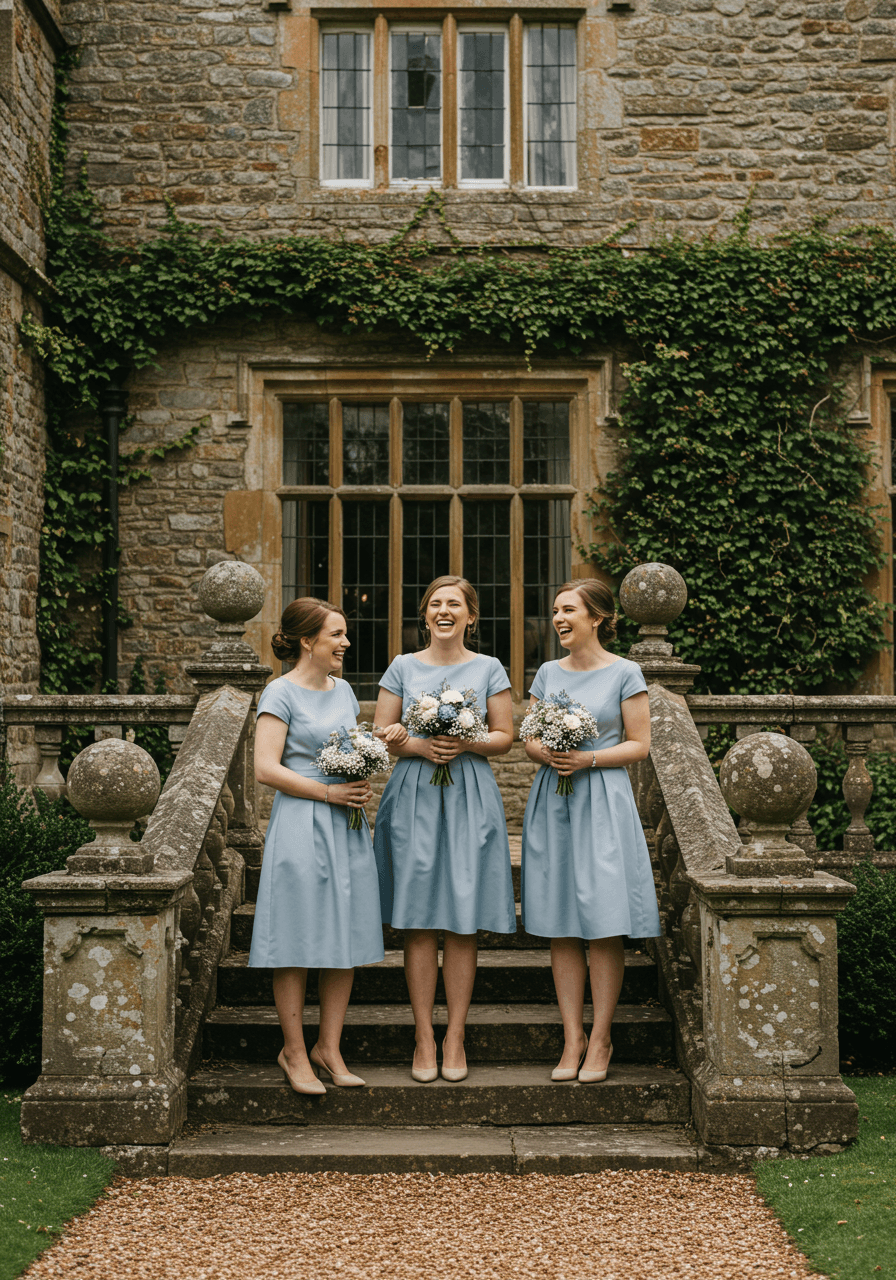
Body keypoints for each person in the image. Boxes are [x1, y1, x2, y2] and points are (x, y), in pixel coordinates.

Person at [373, 576, 515, 1083]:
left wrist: (467, 741)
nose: (444, 610)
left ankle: (455, 1033)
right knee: (418, 918)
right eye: (435, 604)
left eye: (454, 603)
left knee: (462, 916)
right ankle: (422, 1035)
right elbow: (383, 733)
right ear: (425, 615)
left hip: (468, 791)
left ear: (471, 616)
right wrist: (413, 744)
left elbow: (505, 736)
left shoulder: (488, 668)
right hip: (414, 792)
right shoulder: (402, 667)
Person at [520, 578, 660, 1083]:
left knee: (602, 921)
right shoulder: (547, 673)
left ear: (596, 617)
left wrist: (588, 757)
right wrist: (548, 753)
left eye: (568, 610)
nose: (558, 618)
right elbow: (528, 737)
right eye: (555, 610)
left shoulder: (626, 672)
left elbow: (639, 743)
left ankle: (600, 1037)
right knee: (561, 921)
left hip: (602, 798)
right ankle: (571, 1037)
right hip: (552, 801)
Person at [250, 597, 389, 1094]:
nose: (346, 643)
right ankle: (292, 1050)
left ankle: (328, 1046)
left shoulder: (346, 690)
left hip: (347, 824)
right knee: (295, 935)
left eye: (344, 633)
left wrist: (373, 749)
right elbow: (266, 768)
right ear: (307, 641)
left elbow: (346, 747)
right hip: (302, 820)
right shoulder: (279, 693)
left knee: (345, 933)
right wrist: (328, 790)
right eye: (337, 634)